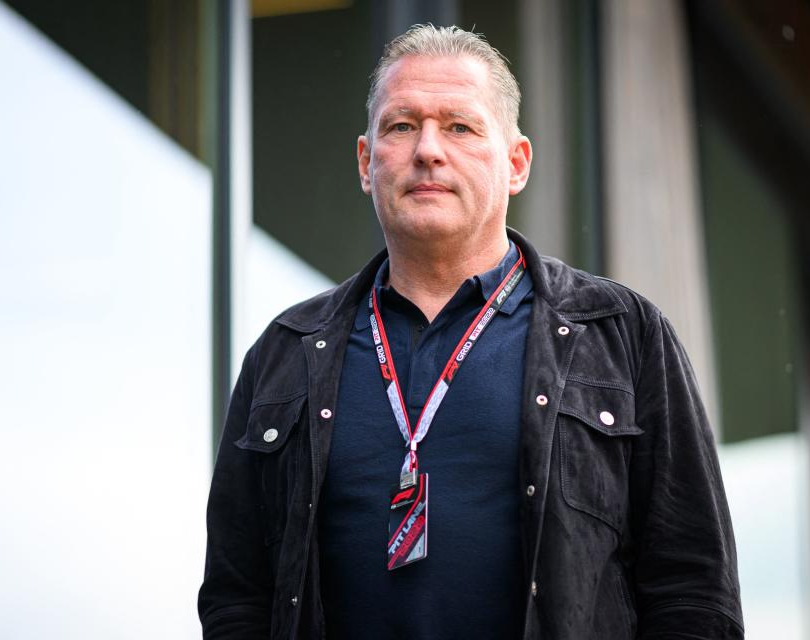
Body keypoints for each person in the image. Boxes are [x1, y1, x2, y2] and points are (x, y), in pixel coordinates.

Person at [199, 24, 743, 640]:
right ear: (364, 162)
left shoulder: (623, 336)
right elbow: (237, 598)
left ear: (516, 163)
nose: (428, 149)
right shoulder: (285, 352)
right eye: (401, 126)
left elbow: (693, 591)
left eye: (459, 126)